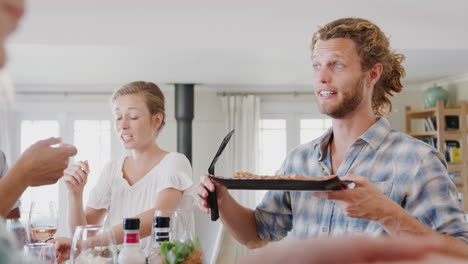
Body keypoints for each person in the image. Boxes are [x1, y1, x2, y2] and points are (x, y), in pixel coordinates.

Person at [197, 17, 468, 254]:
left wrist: (386, 213)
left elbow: (459, 254)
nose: (322, 77)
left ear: (372, 73)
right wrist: (222, 199)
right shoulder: (300, 160)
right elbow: (257, 235)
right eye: (316, 66)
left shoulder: (418, 159)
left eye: (336, 65)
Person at [59, 81, 193, 250]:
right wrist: (75, 194)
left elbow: (158, 219)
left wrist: (92, 242)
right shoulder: (112, 170)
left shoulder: (175, 163)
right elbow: (84, 234)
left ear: (157, 120)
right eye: (118, 117)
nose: (123, 125)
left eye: (133, 117)